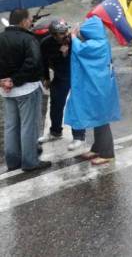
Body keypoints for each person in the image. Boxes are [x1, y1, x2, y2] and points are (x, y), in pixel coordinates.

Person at [64, 16, 121, 165]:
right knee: (99, 118)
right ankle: (97, 148)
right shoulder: (101, 42)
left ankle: (107, 153)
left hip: (99, 88)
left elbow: (81, 49)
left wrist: (74, 36)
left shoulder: (96, 45)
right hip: (101, 87)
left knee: (102, 120)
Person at [0, 9, 50, 172]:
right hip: (27, 88)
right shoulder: (28, 39)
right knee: (28, 126)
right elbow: (33, 63)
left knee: (11, 126)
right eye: (29, 19)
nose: (30, 22)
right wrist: (14, 80)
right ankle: (30, 161)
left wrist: (4, 81)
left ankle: (13, 161)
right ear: (22, 21)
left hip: (6, 90)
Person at [39, 20, 86, 150]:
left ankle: (79, 136)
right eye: (61, 33)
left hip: (76, 77)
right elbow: (43, 61)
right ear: (53, 35)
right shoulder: (46, 43)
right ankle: (55, 131)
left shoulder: (73, 40)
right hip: (60, 77)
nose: (65, 34)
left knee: (76, 105)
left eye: (66, 31)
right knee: (56, 105)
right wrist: (46, 78)